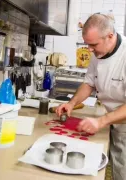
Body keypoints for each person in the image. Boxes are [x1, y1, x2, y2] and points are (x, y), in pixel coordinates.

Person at [56, 13, 126, 180]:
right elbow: (89, 84)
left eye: (93, 45)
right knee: (116, 168)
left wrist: (100, 121)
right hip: (114, 120)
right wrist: (72, 103)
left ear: (110, 36)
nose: (89, 50)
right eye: (88, 44)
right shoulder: (98, 53)